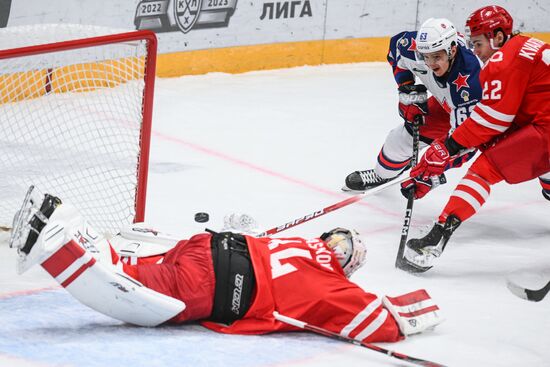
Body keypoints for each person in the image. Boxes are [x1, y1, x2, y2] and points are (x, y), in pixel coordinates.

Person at [9, 186, 443, 342]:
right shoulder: (331, 284)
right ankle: (53, 233)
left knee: (129, 266)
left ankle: (69, 226)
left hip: (204, 248)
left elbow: (243, 225)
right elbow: (378, 323)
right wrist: (420, 311)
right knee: (126, 289)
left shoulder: (296, 243)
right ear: (345, 266)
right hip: (212, 283)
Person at [399, 5, 550, 273]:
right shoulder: (530, 45)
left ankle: (437, 237)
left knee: (484, 170)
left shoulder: (503, 62)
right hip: (540, 120)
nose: (475, 50)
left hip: (545, 128)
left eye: (478, 43)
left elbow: (493, 119)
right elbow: (508, 118)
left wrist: (448, 147)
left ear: (499, 37)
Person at [344, 17, 481, 196]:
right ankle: (382, 175)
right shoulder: (412, 46)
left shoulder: (471, 82)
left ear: (452, 50)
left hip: (479, 118)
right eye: (426, 57)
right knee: (398, 141)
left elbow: (468, 144)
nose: (430, 64)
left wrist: (430, 173)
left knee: (439, 155)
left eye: (437, 57)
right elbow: (396, 50)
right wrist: (406, 87)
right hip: (447, 104)